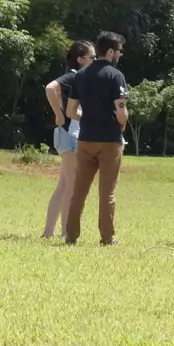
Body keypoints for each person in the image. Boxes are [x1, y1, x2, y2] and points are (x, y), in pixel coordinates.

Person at [64, 31, 130, 246]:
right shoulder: (115, 75)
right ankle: (107, 237)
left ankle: (71, 235)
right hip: (109, 140)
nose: (120, 55)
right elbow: (121, 111)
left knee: (79, 190)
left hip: (85, 139)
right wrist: (121, 124)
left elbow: (71, 111)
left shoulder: (80, 75)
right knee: (107, 192)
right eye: (119, 51)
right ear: (110, 51)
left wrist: (89, 117)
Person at [42, 39, 94, 238]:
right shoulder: (74, 77)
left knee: (63, 185)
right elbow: (50, 88)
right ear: (80, 59)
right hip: (70, 135)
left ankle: (49, 231)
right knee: (72, 186)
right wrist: (59, 114)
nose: (94, 61)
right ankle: (65, 232)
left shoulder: (77, 78)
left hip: (66, 135)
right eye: (92, 57)